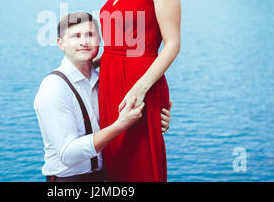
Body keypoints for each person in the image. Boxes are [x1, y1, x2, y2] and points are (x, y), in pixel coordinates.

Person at [34, 12, 172, 182]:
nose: (84, 42)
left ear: (100, 41)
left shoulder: (104, 82)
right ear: (60, 43)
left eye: (90, 35)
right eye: (76, 36)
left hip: (108, 177)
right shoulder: (54, 87)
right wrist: (120, 125)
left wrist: (155, 119)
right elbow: (67, 154)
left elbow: (129, 116)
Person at [96, 0, 181, 182]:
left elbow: (173, 44)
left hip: (139, 83)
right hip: (110, 80)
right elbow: (117, 42)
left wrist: (142, 88)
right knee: (115, 159)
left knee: (140, 164)